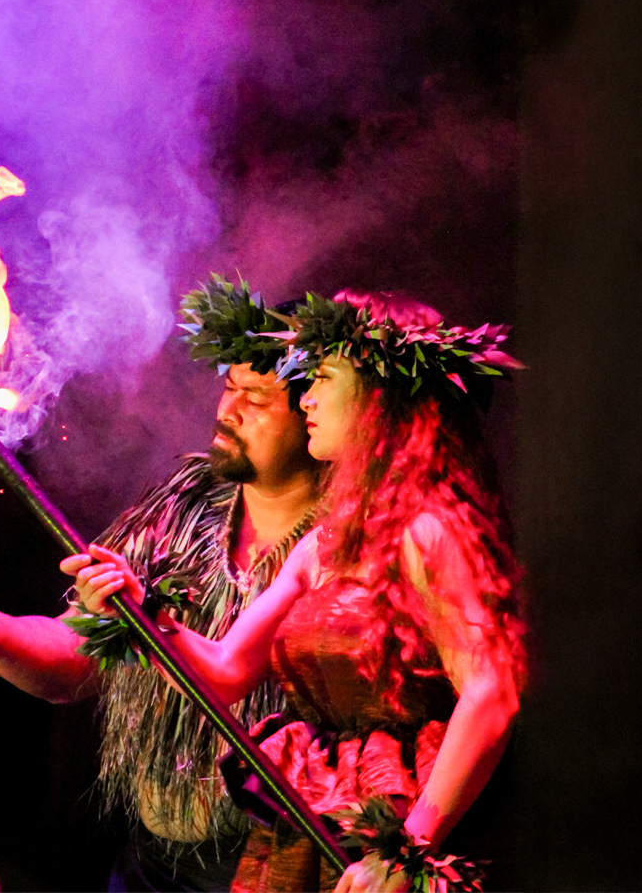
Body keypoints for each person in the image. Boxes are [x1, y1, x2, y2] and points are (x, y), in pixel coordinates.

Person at [0, 278, 323, 892]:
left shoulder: (355, 544)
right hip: (150, 865)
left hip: (286, 865)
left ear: (317, 414)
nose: (226, 412)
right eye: (229, 387)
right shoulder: (184, 502)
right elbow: (77, 662)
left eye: (256, 399)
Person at [71, 290, 527, 893]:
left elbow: (492, 693)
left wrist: (409, 849)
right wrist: (138, 611)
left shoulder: (429, 530)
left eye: (323, 378)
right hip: (314, 823)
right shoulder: (323, 545)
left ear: (377, 393)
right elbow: (226, 670)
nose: (305, 396)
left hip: (396, 831)